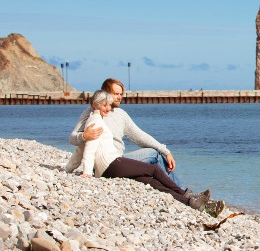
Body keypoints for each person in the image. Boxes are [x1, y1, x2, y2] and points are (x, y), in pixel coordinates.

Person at [75, 90, 226, 216]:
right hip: (112, 163)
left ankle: (192, 203)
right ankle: (187, 193)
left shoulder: (113, 115)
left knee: (150, 181)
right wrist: (87, 171)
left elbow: (140, 136)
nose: (113, 102)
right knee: (154, 167)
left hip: (113, 164)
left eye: (120, 95)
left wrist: (70, 167)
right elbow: (86, 147)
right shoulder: (94, 119)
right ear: (98, 103)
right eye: (113, 96)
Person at [69, 78, 182, 187]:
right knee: (155, 155)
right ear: (105, 94)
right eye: (116, 94)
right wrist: (84, 136)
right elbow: (72, 138)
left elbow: (140, 136)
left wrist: (166, 151)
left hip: (119, 162)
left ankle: (177, 193)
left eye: (121, 94)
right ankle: (183, 191)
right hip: (109, 163)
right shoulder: (91, 113)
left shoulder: (121, 115)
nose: (119, 97)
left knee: (155, 159)